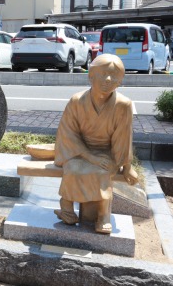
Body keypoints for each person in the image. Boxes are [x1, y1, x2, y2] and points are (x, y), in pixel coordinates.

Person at [53, 54, 138, 234]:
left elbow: (123, 137)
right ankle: (66, 209)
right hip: (80, 151)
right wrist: (90, 156)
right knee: (73, 168)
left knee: (102, 170)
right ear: (91, 75)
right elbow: (68, 134)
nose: (108, 80)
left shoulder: (123, 105)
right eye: (103, 74)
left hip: (107, 151)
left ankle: (103, 215)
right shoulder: (77, 101)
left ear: (120, 82)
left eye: (114, 76)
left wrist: (127, 166)